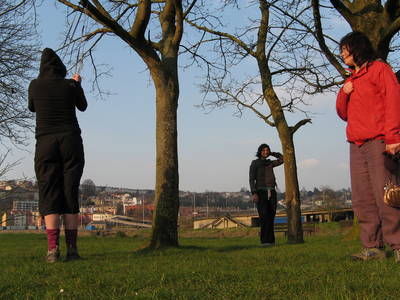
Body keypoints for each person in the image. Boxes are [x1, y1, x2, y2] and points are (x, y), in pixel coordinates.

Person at [336, 32, 400, 262]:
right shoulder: (350, 79)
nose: (342, 53)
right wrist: (344, 93)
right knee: (362, 200)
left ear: (358, 48)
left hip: (379, 141)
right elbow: (343, 114)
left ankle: (398, 245)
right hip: (356, 145)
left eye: (345, 49)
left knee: (387, 196)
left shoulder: (379, 70)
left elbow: (394, 102)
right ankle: (373, 248)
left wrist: (393, 137)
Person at [28, 48, 87, 262]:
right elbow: (83, 106)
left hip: (45, 143)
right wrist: (77, 84)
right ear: (60, 66)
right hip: (70, 141)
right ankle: (72, 250)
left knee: (49, 192)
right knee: (69, 192)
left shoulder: (35, 85)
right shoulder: (70, 85)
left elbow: (32, 107)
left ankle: (53, 250)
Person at [249, 144, 283, 246]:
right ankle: (264, 241)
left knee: (271, 216)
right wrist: (254, 193)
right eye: (263, 150)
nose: (265, 152)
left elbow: (282, 159)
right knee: (264, 216)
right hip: (260, 192)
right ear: (259, 151)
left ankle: (271, 241)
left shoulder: (270, 163)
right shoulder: (255, 163)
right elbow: (251, 179)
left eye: (267, 150)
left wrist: (272, 153)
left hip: (272, 191)